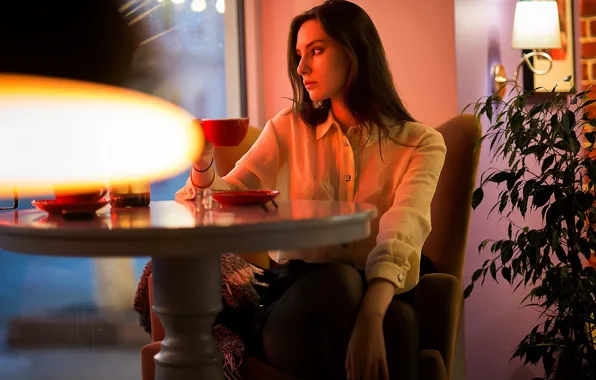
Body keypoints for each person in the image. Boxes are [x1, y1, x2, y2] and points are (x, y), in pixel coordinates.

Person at [175, 1, 446, 379]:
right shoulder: (287, 128)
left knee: (394, 318)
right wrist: (203, 163)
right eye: (299, 55)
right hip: (297, 299)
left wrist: (370, 315)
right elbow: (228, 195)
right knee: (345, 284)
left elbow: (404, 229)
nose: (301, 68)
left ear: (356, 51)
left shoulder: (421, 143)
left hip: (383, 291)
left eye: (316, 51)